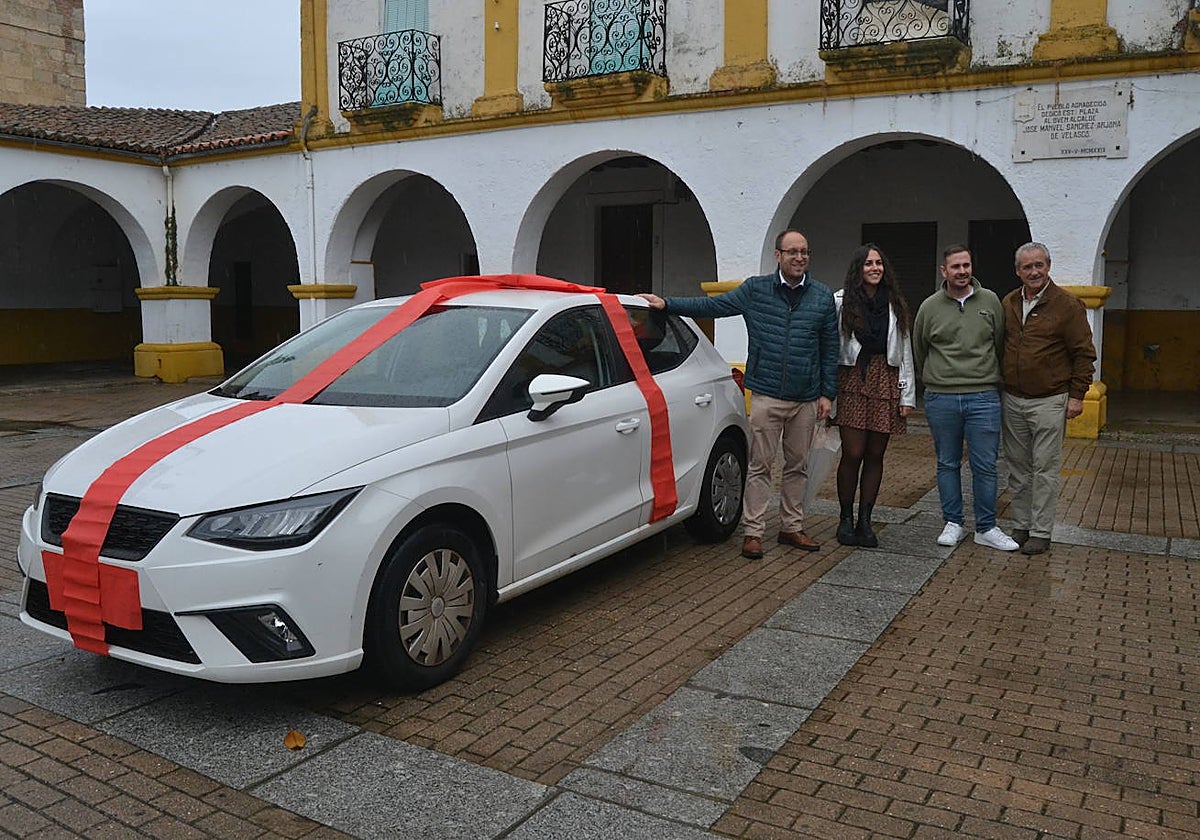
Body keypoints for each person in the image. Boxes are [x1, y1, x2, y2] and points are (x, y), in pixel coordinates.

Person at [639, 229, 839, 559]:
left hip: (806, 397)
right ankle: (754, 531)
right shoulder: (756, 290)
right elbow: (712, 306)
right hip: (766, 394)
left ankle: (792, 526)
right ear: (778, 256)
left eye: (804, 252)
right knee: (760, 465)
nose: (799, 258)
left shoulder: (821, 296)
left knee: (797, 466)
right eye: (792, 252)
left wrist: (827, 394)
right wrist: (667, 303)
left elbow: (830, 348)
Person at [912, 245, 1019, 551]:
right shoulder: (929, 307)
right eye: (955, 267)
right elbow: (920, 350)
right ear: (943, 271)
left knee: (985, 465)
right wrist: (938, 378)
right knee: (947, 462)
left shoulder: (990, 302)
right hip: (941, 398)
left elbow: (999, 343)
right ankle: (953, 523)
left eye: (966, 265)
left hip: (983, 396)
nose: (962, 271)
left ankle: (986, 527)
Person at [1000, 242, 1096, 555]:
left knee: (1044, 468)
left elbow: (1084, 353)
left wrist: (1077, 395)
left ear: (1048, 266)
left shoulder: (1067, 305)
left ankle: (1040, 532)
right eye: (1027, 267)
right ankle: (1021, 525)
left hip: (1050, 399)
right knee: (1018, 467)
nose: (1034, 272)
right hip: (1013, 398)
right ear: (1018, 271)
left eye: (1039, 265)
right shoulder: (1010, 302)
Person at [832, 244, 915, 548]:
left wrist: (907, 397)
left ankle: (865, 521)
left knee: (875, 455)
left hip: (885, 380)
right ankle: (844, 518)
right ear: (858, 269)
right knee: (853, 452)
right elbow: (830, 346)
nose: (875, 268)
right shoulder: (841, 302)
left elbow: (905, 351)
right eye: (868, 263)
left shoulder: (895, 303)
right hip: (852, 378)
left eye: (879, 263)